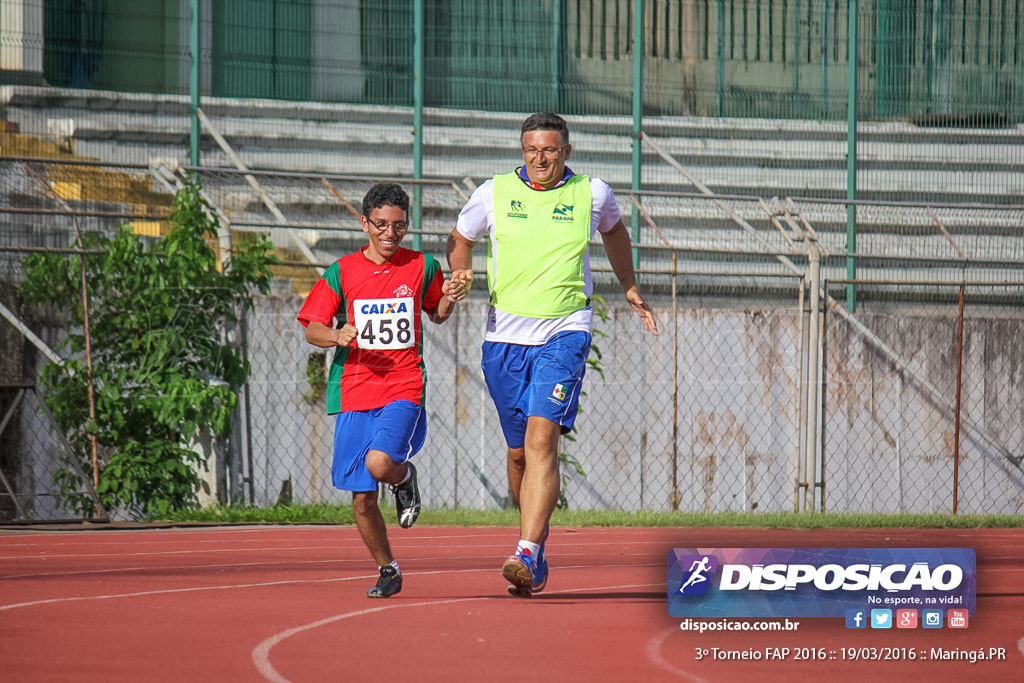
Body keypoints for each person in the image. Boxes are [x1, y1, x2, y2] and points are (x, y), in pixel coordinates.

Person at [446, 112, 658, 597]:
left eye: (550, 150)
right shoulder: (493, 193)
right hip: (504, 338)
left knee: (543, 440)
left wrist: (628, 285)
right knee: (519, 451)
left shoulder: (592, 193)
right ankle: (533, 549)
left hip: (565, 330)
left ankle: (527, 550)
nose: (540, 159)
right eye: (531, 150)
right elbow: (460, 239)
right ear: (522, 152)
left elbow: (615, 232)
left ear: (567, 150)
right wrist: (461, 273)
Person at [298, 182, 466, 598]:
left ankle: (404, 476)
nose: (390, 235)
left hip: (403, 385)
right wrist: (337, 336)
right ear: (364, 223)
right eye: (381, 226)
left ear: (408, 225)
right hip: (354, 389)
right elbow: (312, 328)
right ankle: (388, 569)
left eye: (399, 226)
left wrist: (450, 297)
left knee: (379, 463)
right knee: (361, 500)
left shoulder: (422, 266)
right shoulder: (342, 271)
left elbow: (438, 312)